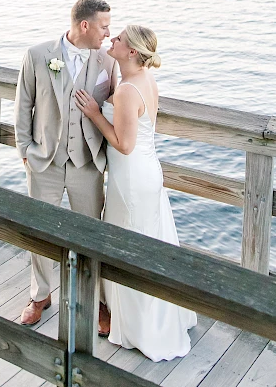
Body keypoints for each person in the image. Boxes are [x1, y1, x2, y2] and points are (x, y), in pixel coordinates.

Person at [75, 25, 197, 362]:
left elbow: (124, 144)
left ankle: (140, 325)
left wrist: (96, 114)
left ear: (131, 52)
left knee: (128, 243)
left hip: (131, 176)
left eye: (119, 40)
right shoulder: (144, 79)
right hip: (146, 172)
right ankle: (152, 314)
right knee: (149, 240)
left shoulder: (129, 90)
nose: (112, 40)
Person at [15, 0, 118, 330]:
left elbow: (119, 101)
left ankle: (97, 301)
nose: (108, 33)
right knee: (40, 233)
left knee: (92, 236)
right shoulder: (37, 55)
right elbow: (23, 106)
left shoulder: (108, 61)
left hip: (88, 164)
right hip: (45, 161)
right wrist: (25, 151)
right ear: (84, 25)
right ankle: (40, 294)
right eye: (104, 26)